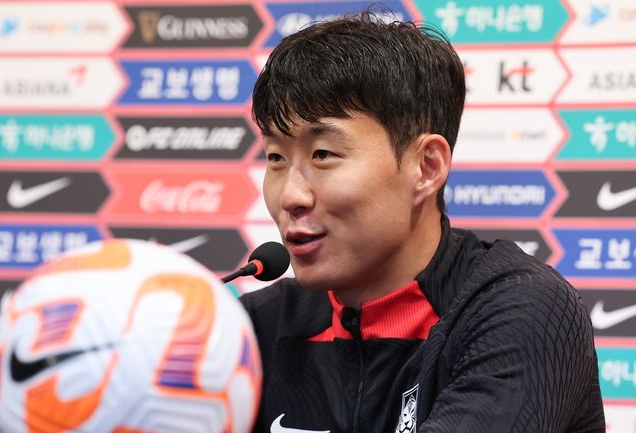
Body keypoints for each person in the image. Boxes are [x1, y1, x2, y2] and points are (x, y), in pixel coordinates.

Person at [240, 10, 605, 433]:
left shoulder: (524, 310)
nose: (290, 196)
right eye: (276, 158)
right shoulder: (253, 330)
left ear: (427, 167)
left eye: (323, 154)